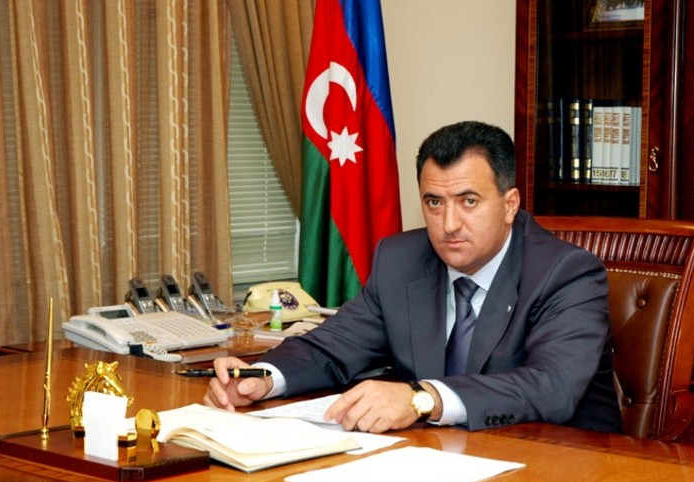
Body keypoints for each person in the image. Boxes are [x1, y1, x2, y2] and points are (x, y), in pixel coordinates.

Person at [204, 121, 621, 434]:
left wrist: (422, 398)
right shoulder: (401, 259)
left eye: (468, 201)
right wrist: (263, 378)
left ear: (510, 204)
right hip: (436, 463)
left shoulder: (566, 273)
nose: (449, 224)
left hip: (558, 471)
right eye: (434, 202)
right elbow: (332, 348)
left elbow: (551, 387)